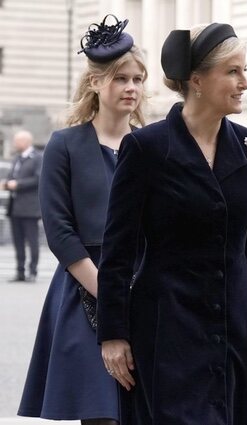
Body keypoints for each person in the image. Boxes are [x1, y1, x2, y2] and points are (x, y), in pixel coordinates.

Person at [96, 22, 247, 425]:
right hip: (166, 326)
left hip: (235, 328)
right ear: (197, 80)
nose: (245, 83)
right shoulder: (146, 147)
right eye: (233, 71)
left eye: (245, 70)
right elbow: (117, 250)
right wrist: (112, 334)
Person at [17, 15, 146, 425]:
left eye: (138, 79)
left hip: (144, 284)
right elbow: (59, 230)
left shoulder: (152, 144)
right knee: (100, 412)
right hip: (82, 287)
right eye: (121, 78)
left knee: (142, 409)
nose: (131, 88)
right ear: (96, 83)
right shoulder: (64, 144)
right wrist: (111, 294)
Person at [3, 130, 42, 283]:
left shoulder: (37, 158)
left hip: (30, 208)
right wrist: (7, 184)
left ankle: (32, 271)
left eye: (17, 141)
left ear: (26, 141)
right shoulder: (17, 158)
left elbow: (39, 179)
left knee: (32, 241)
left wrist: (18, 184)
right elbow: (12, 177)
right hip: (15, 208)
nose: (14, 143)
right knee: (18, 241)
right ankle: (20, 272)